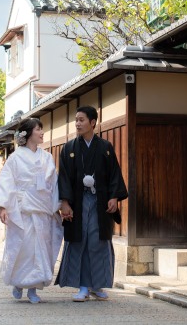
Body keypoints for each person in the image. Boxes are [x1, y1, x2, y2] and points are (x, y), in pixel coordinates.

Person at [57, 106, 128, 302]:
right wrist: (65, 202)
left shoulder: (105, 147)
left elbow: (114, 174)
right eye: (76, 120)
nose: (77, 123)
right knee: (81, 240)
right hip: (77, 202)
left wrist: (114, 197)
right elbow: (63, 177)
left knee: (97, 240)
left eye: (81, 120)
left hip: (100, 201)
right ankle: (83, 286)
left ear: (93, 122)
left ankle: (97, 285)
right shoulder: (69, 148)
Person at [0, 118, 63, 304]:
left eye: (42, 129)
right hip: (22, 209)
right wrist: (4, 207)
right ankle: (18, 282)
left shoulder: (47, 157)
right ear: (29, 133)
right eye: (38, 129)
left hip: (42, 208)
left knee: (40, 249)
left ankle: (33, 288)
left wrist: (57, 205)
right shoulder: (15, 157)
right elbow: (6, 182)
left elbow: (53, 184)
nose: (42, 132)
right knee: (23, 248)